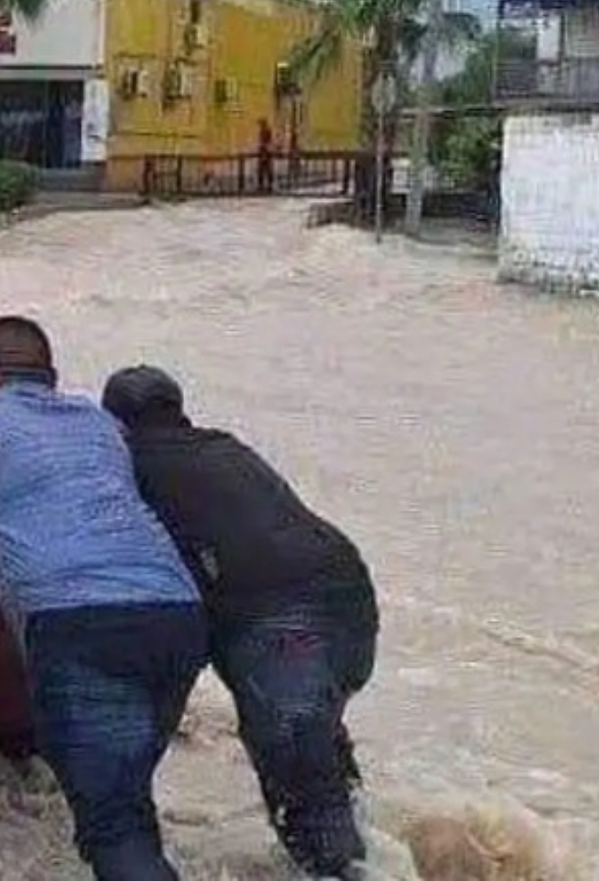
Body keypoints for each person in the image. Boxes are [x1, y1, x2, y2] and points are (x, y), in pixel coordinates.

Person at [0, 316, 207, 881]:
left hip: (81, 625)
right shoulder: (101, 425)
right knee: (124, 799)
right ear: (51, 376)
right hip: (177, 615)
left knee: (113, 827)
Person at [101, 365, 380, 880]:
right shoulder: (224, 447)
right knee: (316, 754)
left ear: (115, 423)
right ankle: (376, 853)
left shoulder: (132, 464)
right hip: (351, 598)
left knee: (299, 774)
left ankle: (350, 866)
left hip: (282, 622)